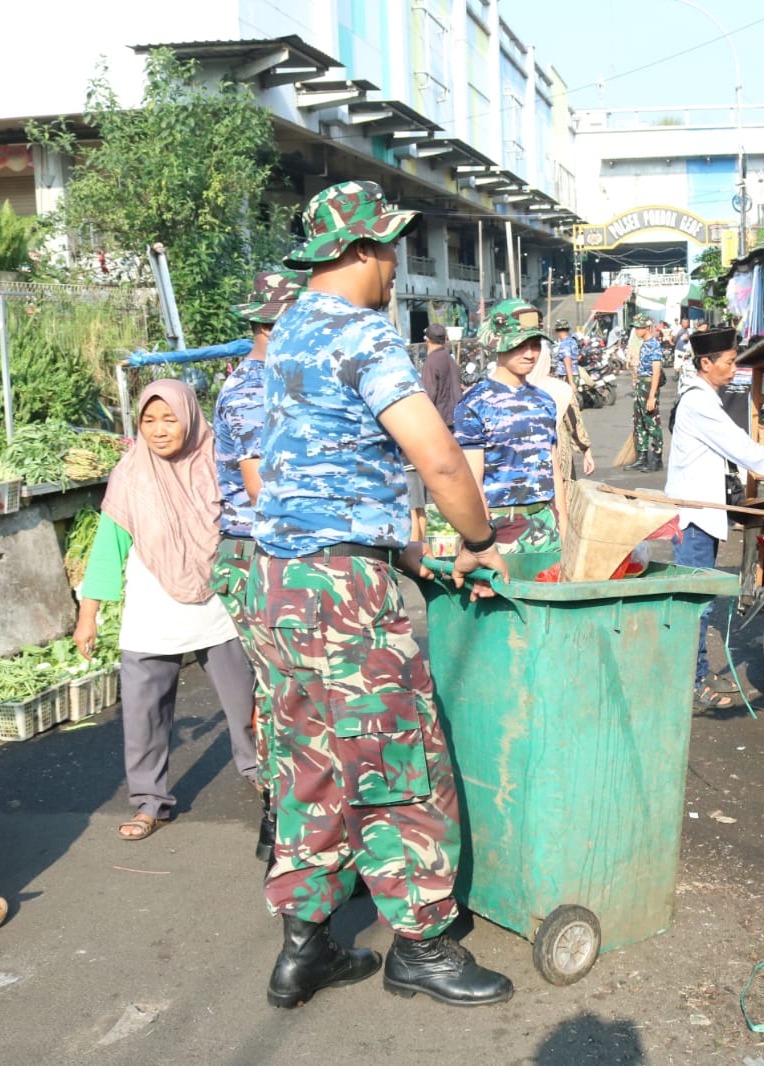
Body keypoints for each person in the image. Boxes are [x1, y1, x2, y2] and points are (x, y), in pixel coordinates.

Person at [250, 179, 513, 1009]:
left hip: (281, 584)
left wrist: (409, 553)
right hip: (342, 592)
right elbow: (438, 460)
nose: (397, 266)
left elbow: (313, 478)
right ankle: (423, 945)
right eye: (390, 248)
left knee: (311, 764)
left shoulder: (286, 331)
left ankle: (306, 947)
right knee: (399, 761)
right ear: (361, 251)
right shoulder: (363, 334)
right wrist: (476, 540)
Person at [74, 379, 259, 842]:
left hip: (217, 603)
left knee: (245, 704)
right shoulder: (130, 475)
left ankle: (264, 777)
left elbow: (249, 526)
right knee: (144, 715)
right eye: (148, 420)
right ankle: (149, 802)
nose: (158, 430)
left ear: (190, 417)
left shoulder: (219, 462)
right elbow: (107, 549)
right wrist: (88, 613)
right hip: (152, 608)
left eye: (169, 418)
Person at [665, 327, 764, 711]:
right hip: (693, 518)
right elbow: (746, 452)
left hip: (703, 514)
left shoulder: (705, 399)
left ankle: (697, 671)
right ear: (706, 363)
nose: (734, 370)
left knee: (701, 601)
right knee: (694, 605)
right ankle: (692, 683)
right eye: (729, 362)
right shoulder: (698, 403)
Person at [213, 268, 307, 863]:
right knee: (279, 688)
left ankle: (293, 817)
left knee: (292, 685)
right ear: (268, 326)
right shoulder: (252, 390)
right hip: (258, 549)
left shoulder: (287, 379)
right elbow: (262, 490)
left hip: (282, 546)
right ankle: (282, 820)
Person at [454, 309, 565, 553]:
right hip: (500, 526)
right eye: (520, 345)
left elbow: (553, 468)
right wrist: (483, 543)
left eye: (535, 345)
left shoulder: (544, 402)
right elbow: (472, 481)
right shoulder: (475, 403)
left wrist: (564, 527)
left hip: (546, 524)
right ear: (499, 345)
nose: (529, 354)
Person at [529, 344, 596, 485]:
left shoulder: (511, 390)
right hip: (558, 451)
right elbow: (573, 422)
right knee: (563, 492)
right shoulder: (560, 389)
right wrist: (586, 451)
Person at [628, 312, 665, 472]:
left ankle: (657, 459)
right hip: (641, 385)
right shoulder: (643, 343)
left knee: (652, 422)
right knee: (640, 422)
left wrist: (652, 396)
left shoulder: (654, 345)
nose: (636, 330)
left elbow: (656, 371)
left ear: (646, 328)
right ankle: (642, 457)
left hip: (649, 386)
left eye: (638, 327)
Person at [421, 323, 463, 430]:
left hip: (441, 421)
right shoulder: (450, 359)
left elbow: (430, 393)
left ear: (427, 340)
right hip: (457, 417)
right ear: (445, 339)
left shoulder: (431, 362)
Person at [551, 318, 579, 382]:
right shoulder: (572, 341)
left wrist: (571, 382)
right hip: (575, 374)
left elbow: (567, 363)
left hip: (566, 376)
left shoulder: (564, 344)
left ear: (558, 331)